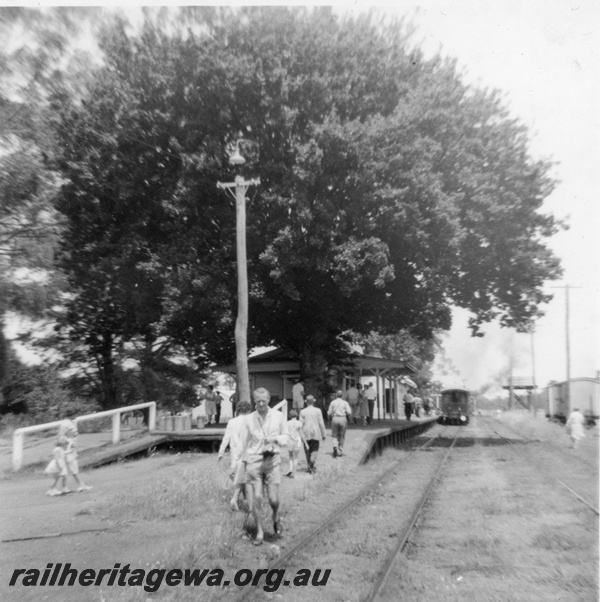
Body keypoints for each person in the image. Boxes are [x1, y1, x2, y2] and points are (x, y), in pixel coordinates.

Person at [239, 387, 288, 546]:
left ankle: (276, 516)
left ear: (268, 400)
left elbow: (286, 437)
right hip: (254, 461)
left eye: (264, 401)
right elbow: (243, 443)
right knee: (257, 497)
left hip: (272, 460)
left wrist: (275, 438)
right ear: (254, 402)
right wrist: (238, 465)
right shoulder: (249, 419)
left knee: (273, 499)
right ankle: (259, 531)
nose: (261, 404)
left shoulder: (278, 416)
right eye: (258, 401)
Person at [218, 401, 252, 511]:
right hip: (247, 451)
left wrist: (221, 452)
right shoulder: (250, 420)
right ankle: (239, 499)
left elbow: (226, 438)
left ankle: (244, 500)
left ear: (238, 410)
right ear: (249, 410)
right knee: (245, 476)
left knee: (239, 476)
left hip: (235, 451)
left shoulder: (232, 421)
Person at [57, 420, 92, 492]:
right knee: (69, 472)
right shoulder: (64, 439)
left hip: (70, 456)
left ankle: (76, 485)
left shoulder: (69, 438)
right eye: (71, 430)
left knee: (72, 472)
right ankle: (78, 485)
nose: (74, 432)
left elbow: (73, 440)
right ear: (67, 431)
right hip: (67, 457)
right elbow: (64, 448)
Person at [300, 395, 327, 473]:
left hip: (306, 432)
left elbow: (300, 424)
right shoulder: (318, 410)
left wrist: (300, 435)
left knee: (307, 449)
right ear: (313, 401)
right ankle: (312, 462)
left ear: (306, 402)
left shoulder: (303, 411)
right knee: (315, 448)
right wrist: (324, 434)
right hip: (315, 432)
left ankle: (310, 466)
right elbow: (321, 423)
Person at [327, 390, 353, 458]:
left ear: (336, 395)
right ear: (342, 395)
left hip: (335, 418)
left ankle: (335, 446)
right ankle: (340, 450)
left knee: (334, 434)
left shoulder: (333, 402)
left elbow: (329, 413)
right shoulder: (345, 403)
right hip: (343, 418)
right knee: (342, 434)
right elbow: (349, 412)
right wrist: (349, 418)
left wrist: (329, 418)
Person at [285, 409, 305, 478]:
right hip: (297, 440)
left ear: (289, 415)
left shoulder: (287, 423)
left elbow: (286, 433)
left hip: (290, 440)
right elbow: (301, 432)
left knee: (290, 456)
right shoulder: (299, 423)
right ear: (296, 415)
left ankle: (290, 469)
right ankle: (294, 472)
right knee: (296, 457)